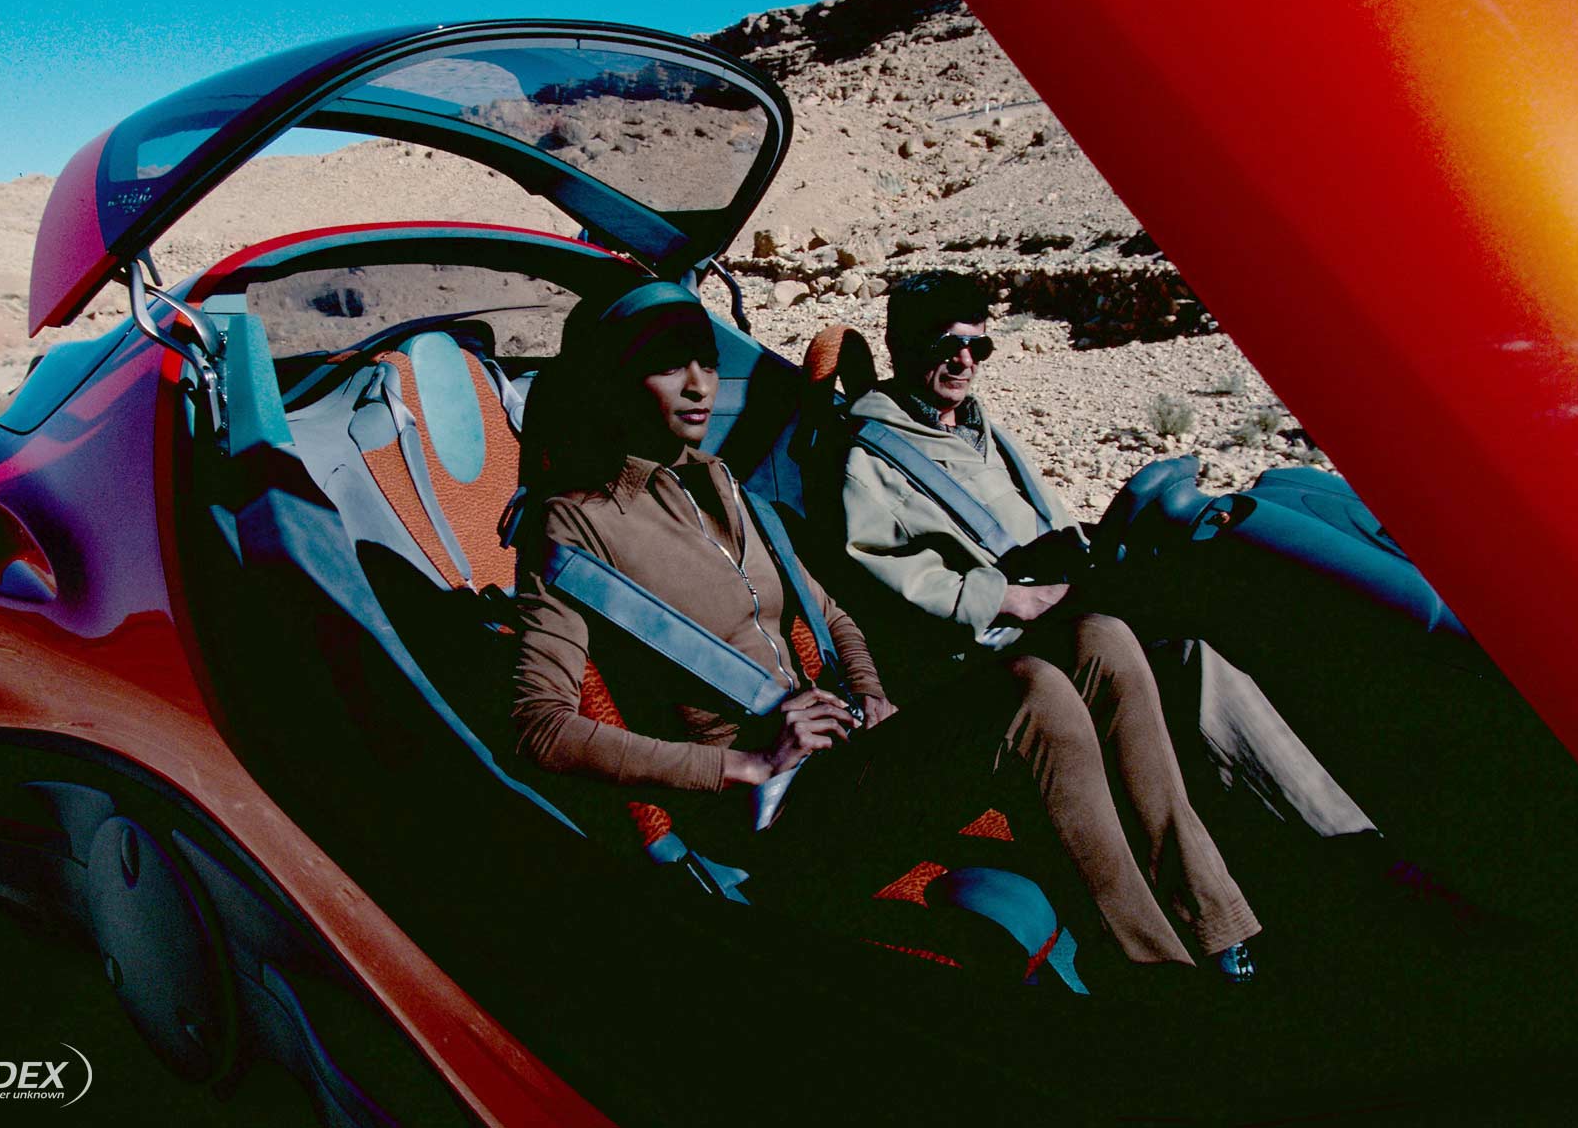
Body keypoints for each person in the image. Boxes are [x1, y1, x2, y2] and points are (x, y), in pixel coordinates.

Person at [510, 280, 1256, 985]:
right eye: (670, 367)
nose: (701, 385)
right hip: (771, 818)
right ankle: (1156, 979)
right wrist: (743, 763)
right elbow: (540, 727)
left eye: (706, 360)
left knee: (1099, 638)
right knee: (1030, 691)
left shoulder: (723, 483)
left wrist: (869, 691)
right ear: (614, 380)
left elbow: (830, 612)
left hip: (844, 759)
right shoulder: (572, 524)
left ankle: (1218, 928)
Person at [840, 271, 1264, 978]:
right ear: (904, 346)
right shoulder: (871, 455)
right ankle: (1151, 963)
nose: (965, 362)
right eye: (947, 346)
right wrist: (1005, 598)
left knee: (1110, 638)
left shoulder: (978, 429)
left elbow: (1045, 519)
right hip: (965, 651)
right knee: (1052, 687)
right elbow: (883, 576)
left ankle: (1213, 918)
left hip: (1038, 611)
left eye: (978, 347)